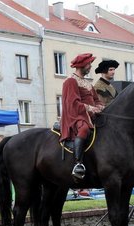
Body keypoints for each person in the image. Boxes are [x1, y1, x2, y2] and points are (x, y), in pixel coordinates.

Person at [60, 53, 103, 181]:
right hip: (76, 116)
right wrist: (91, 108)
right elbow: (72, 104)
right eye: (89, 64)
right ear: (82, 65)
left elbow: (97, 100)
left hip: (91, 116)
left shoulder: (88, 83)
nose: (90, 67)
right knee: (84, 129)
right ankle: (78, 164)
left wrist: (100, 106)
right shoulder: (71, 81)